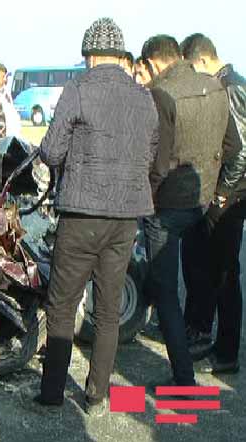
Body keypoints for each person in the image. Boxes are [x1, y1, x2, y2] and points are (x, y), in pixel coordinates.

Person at [34, 17, 158, 416]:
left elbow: (51, 151)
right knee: (107, 309)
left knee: (63, 304)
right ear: (121, 56)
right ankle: (97, 397)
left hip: (82, 212)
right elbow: (150, 150)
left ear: (88, 55)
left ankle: (52, 394)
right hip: (125, 218)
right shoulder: (143, 95)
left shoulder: (78, 89)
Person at [141, 34, 230, 387]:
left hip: (167, 205)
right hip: (202, 199)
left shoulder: (162, 93)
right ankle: (197, 338)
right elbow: (233, 145)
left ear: (152, 63)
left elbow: (158, 164)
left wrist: (143, 198)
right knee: (194, 276)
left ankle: (183, 378)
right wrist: (215, 189)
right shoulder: (216, 86)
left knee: (165, 291)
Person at [180, 33, 245, 373]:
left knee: (225, 274)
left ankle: (227, 352)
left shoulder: (231, 88)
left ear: (203, 60)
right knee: (206, 267)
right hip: (219, 194)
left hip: (230, 198)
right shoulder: (223, 84)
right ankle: (204, 334)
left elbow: (242, 150)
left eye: (192, 69)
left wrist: (222, 193)